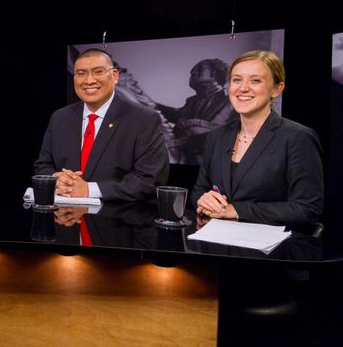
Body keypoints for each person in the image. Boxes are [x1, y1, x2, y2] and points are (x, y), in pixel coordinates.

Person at [192, 50, 323, 226]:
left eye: (255, 80)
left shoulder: (298, 137)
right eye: (237, 79)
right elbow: (199, 190)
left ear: (277, 89)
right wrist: (203, 200)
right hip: (216, 243)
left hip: (272, 250)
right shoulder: (216, 136)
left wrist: (236, 210)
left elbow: (307, 209)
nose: (243, 87)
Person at [34, 48, 169, 202]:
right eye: (81, 73)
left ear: (115, 76)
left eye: (98, 72)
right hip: (64, 219)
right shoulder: (59, 118)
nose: (89, 80)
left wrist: (89, 189)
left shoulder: (144, 119)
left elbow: (149, 180)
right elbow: (43, 165)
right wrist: (57, 180)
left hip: (118, 220)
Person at [156, 58, 237, 164]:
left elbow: (226, 133)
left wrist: (188, 142)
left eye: (200, 69)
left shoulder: (232, 102)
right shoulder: (191, 102)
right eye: (192, 71)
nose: (193, 72)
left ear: (214, 73)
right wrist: (151, 103)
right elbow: (176, 115)